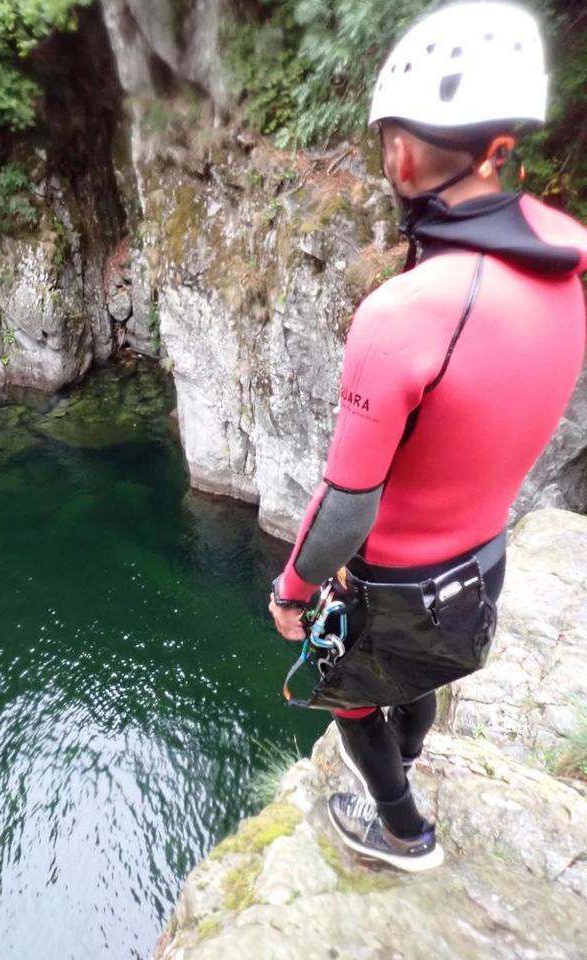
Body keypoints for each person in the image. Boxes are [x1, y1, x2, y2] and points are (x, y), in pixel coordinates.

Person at [268, 0, 587, 872]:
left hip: (398, 581)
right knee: (415, 678)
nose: (391, 160)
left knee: (352, 699)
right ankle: (410, 758)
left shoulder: (405, 314)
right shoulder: (565, 271)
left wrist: (293, 590)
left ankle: (402, 830)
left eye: (393, 144)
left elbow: (346, 502)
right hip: (482, 565)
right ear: (499, 150)